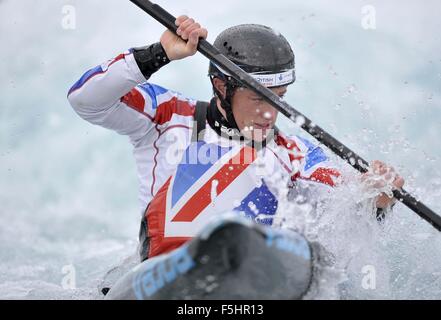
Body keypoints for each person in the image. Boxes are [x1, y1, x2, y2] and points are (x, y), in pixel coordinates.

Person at [67, 16, 404, 265]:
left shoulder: (297, 154)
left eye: (279, 98)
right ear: (221, 88)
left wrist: (375, 199)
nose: (270, 114)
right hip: (162, 270)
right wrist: (161, 53)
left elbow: (343, 215)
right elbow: (85, 99)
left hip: (251, 277)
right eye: (259, 99)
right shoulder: (167, 116)